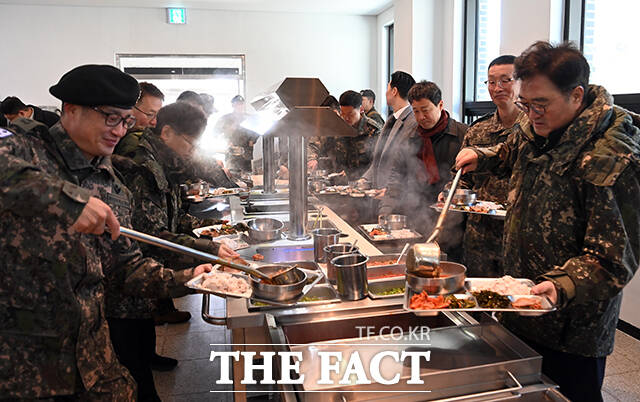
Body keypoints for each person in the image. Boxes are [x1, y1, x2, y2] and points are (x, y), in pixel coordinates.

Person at [0, 64, 212, 400]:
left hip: (94, 363)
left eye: (126, 121)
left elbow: (125, 266)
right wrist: (66, 199)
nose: (120, 131)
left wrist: (189, 279)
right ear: (71, 109)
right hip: (25, 370)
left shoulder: (111, 183)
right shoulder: (25, 149)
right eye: (111, 118)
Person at [455, 41, 640, 402]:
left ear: (576, 95)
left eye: (540, 104)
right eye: (526, 104)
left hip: (571, 326)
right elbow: (511, 151)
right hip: (523, 302)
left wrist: (560, 285)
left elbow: (614, 258)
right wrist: (482, 155)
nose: (531, 113)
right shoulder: (537, 126)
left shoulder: (613, 157)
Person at [452, 55, 526, 276]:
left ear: (521, 82)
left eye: (505, 80)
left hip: (517, 235)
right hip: (479, 235)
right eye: (491, 82)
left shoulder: (534, 128)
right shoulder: (478, 130)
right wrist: (452, 193)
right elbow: (462, 177)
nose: (497, 88)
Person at [380, 80, 467, 261]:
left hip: (452, 223)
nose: (420, 117)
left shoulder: (462, 134)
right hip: (417, 217)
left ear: (440, 105)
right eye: (416, 111)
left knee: (447, 266)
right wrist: (385, 212)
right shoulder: (409, 137)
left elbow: (471, 179)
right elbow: (396, 179)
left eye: (425, 110)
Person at [361, 71, 418, 192]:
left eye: (387, 88)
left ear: (394, 91)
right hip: (381, 192)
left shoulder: (412, 122)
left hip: (395, 194)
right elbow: (379, 159)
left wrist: (392, 191)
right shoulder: (392, 119)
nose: (386, 93)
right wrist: (364, 180)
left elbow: (408, 165)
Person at [335, 90, 382, 180]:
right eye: (343, 114)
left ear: (361, 109)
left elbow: (378, 162)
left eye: (350, 114)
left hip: (366, 182)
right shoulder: (339, 127)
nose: (346, 118)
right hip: (343, 182)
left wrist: (364, 179)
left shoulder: (373, 130)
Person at [215, 95, 259, 172]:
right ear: (233, 105)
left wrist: (252, 141)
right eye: (237, 104)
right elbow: (216, 132)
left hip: (246, 152)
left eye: (241, 104)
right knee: (232, 173)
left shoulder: (249, 118)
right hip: (232, 152)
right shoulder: (226, 118)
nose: (239, 106)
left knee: (247, 174)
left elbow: (257, 130)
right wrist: (227, 140)